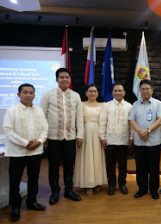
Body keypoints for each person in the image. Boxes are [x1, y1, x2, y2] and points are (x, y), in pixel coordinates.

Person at [3, 83, 48, 222]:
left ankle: (32, 202)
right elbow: (8, 131)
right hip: (18, 152)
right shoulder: (11, 111)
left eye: (31, 93)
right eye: (25, 92)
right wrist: (25, 143)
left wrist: (39, 141)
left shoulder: (39, 110)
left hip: (35, 151)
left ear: (34, 95)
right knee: (15, 181)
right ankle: (15, 207)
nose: (28, 95)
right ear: (18, 94)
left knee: (34, 179)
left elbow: (45, 128)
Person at [41, 68, 83, 205]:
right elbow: (43, 116)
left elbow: (79, 118)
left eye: (67, 77)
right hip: (53, 137)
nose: (64, 79)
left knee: (69, 165)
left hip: (70, 137)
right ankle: (55, 192)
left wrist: (80, 134)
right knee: (53, 166)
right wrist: (44, 136)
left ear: (70, 80)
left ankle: (69, 190)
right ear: (56, 80)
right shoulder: (48, 95)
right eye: (61, 77)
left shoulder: (76, 96)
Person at [129, 79, 161, 200]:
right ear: (140, 90)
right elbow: (131, 120)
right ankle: (142, 189)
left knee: (154, 167)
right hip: (139, 142)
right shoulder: (135, 104)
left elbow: (160, 120)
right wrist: (140, 131)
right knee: (140, 167)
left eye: (147, 88)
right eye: (143, 89)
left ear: (152, 90)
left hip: (154, 142)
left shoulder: (158, 103)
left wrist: (147, 130)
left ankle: (154, 190)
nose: (145, 91)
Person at [74, 85, 107, 195]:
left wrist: (103, 136)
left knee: (97, 157)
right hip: (85, 132)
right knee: (87, 157)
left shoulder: (103, 105)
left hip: (98, 133)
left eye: (94, 91)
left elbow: (104, 121)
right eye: (90, 91)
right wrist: (79, 136)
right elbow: (78, 121)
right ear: (86, 93)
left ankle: (97, 182)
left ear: (97, 93)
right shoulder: (81, 105)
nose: (92, 93)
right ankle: (88, 183)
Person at [99, 82, 132, 196]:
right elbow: (102, 122)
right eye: (115, 91)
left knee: (123, 165)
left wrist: (131, 137)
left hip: (124, 140)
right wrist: (102, 137)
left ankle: (122, 184)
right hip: (110, 140)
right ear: (112, 92)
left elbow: (131, 124)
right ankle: (112, 185)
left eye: (120, 90)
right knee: (110, 165)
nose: (118, 92)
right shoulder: (106, 105)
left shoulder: (129, 106)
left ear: (124, 93)